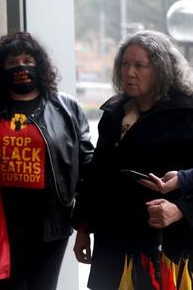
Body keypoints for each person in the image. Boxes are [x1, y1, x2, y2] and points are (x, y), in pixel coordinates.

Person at [0, 32, 94, 290]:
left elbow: (86, 168)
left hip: (51, 225)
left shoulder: (66, 108)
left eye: (28, 60)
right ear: (1, 70)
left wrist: (84, 223)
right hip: (1, 226)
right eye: (12, 62)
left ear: (40, 65)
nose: (21, 67)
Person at [73, 30, 193, 289]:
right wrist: (83, 226)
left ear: (161, 69)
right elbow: (96, 174)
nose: (129, 72)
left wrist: (181, 209)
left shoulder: (187, 113)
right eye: (125, 64)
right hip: (114, 240)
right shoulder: (115, 111)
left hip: (167, 244)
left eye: (139, 65)